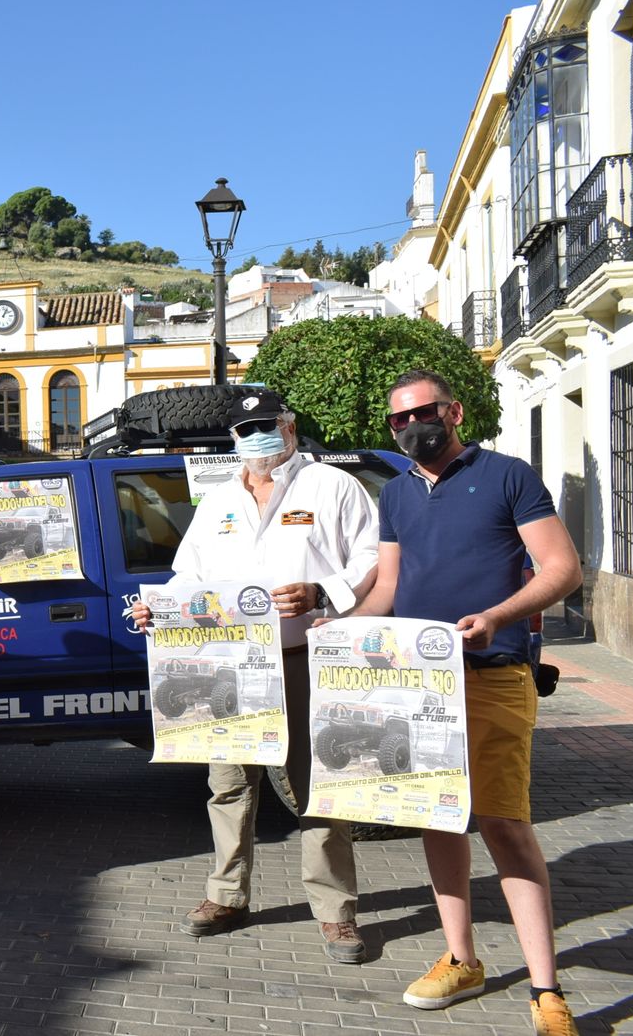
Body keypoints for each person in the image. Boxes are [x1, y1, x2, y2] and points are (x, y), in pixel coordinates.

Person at [351, 369, 582, 1036]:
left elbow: (561, 567)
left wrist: (496, 615)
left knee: (504, 823)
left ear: (452, 412)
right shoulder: (394, 495)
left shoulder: (508, 476)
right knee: (439, 819)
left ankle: (546, 989)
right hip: (417, 683)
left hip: (492, 672)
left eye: (424, 412)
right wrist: (340, 630)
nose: (412, 426)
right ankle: (461, 958)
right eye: (399, 420)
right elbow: (387, 587)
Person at [130, 389, 379, 962]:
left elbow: (372, 559)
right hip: (229, 668)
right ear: (234, 439)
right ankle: (226, 895)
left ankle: (336, 913)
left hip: (303, 660)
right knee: (229, 785)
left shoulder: (333, 486)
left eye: (267, 425)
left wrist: (324, 592)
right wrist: (158, 611)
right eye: (246, 430)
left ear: (290, 428)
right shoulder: (219, 500)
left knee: (318, 786)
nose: (256, 438)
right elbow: (188, 576)